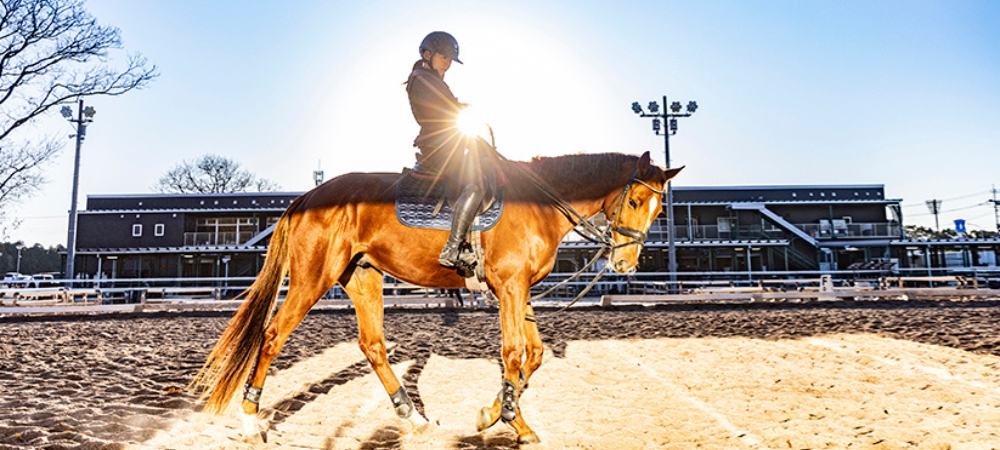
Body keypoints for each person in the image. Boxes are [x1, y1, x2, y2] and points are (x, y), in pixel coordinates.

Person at [406, 31, 489, 269]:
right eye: (444, 58)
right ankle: (452, 249)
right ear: (427, 55)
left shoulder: (432, 79)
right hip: (439, 149)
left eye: (451, 59)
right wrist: (459, 108)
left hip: (448, 144)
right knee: (476, 187)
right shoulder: (422, 79)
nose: (448, 64)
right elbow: (443, 109)